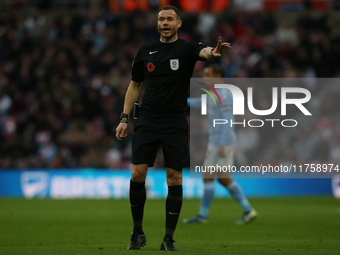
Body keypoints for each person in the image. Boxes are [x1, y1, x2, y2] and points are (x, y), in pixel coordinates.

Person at [115, 5, 231, 251]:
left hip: (175, 121)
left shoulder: (186, 49)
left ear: (179, 23)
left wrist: (214, 51)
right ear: (157, 24)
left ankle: (168, 238)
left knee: (174, 177)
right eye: (161, 19)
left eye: (169, 19)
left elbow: (204, 52)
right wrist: (124, 118)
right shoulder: (145, 51)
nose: (164, 23)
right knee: (137, 174)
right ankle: (137, 233)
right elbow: (135, 85)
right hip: (147, 119)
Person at [183, 64, 258, 225]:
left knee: (210, 176)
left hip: (220, 142)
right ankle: (248, 210)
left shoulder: (224, 94)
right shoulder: (214, 93)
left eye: (207, 74)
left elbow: (228, 120)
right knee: (222, 178)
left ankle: (204, 216)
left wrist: (222, 144)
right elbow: (199, 103)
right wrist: (182, 100)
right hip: (218, 141)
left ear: (217, 75)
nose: (204, 78)